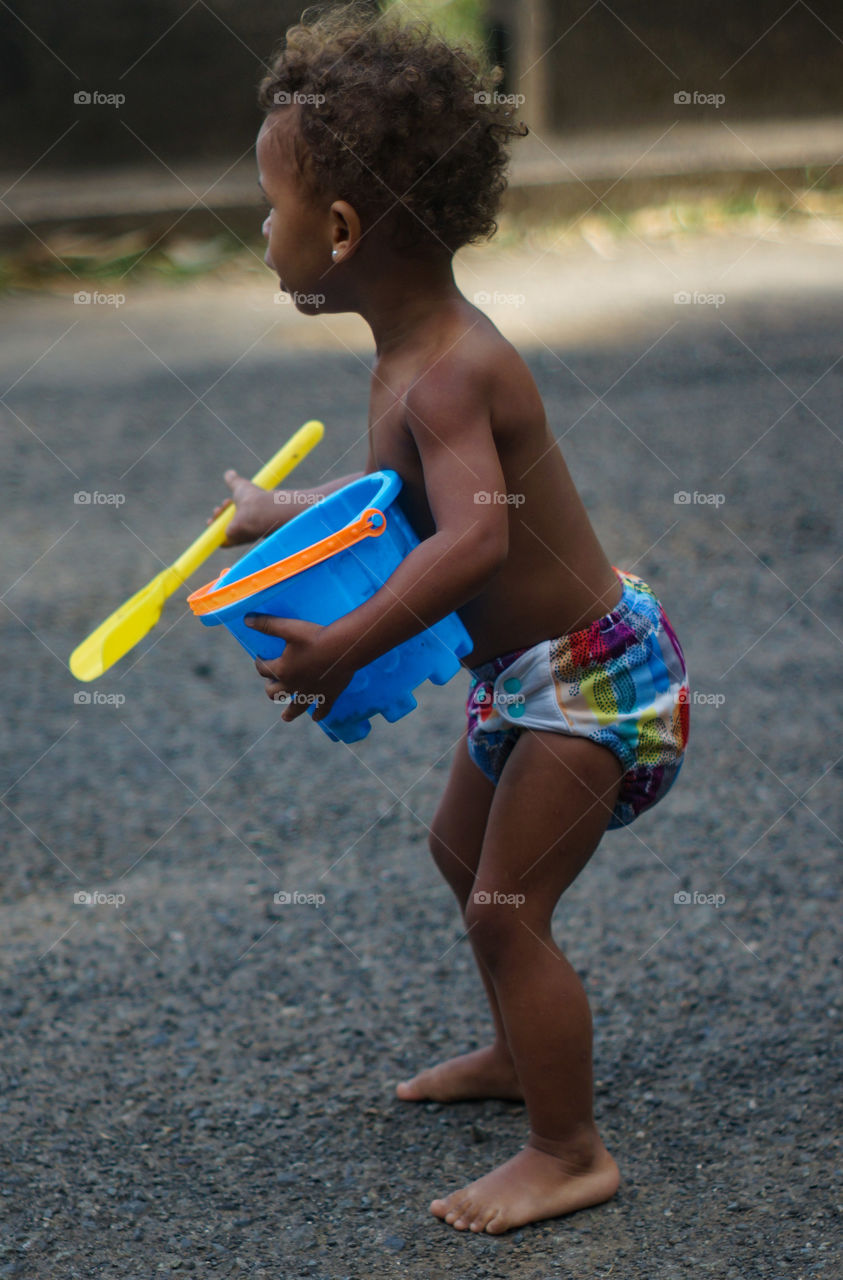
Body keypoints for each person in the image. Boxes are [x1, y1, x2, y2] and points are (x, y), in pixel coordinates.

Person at [208, 3, 689, 1235]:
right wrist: (284, 511)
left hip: (594, 682)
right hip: (526, 676)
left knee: (504, 904)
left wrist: (350, 645)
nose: (262, 229)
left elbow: (473, 535)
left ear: (344, 227)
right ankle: (520, 1051)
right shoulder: (410, 356)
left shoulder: (451, 369)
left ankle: (569, 1146)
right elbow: (399, 505)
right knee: (458, 858)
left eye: (271, 207)